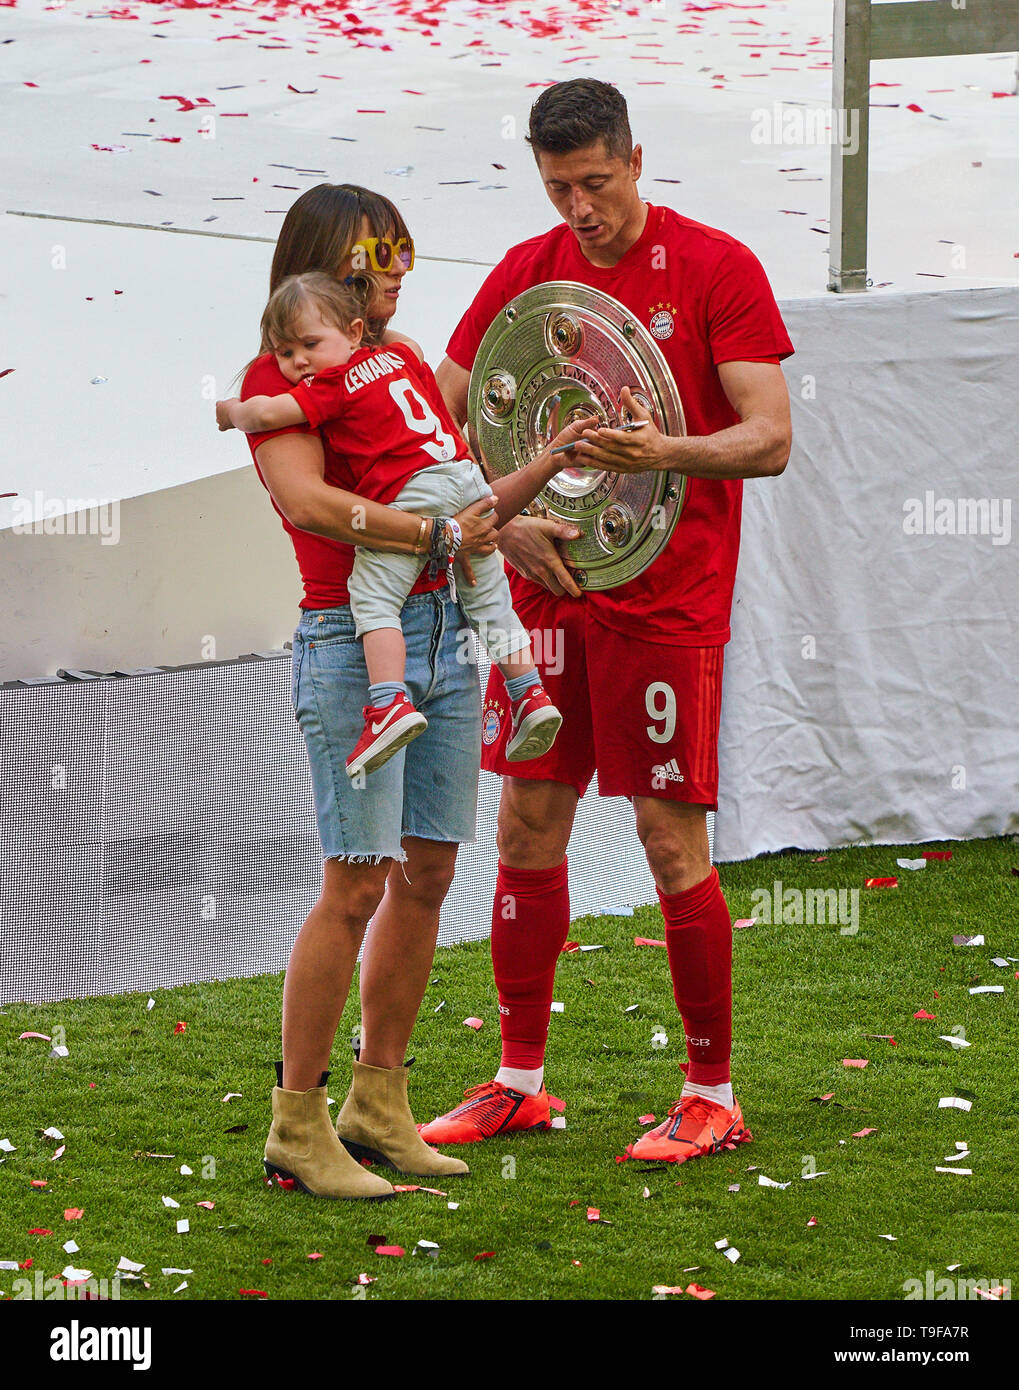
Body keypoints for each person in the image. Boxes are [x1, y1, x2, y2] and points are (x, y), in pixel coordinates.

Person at [420, 79, 794, 1164]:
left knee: (667, 836)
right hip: (540, 592)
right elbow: (443, 423)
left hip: (665, 596)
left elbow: (767, 437)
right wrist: (506, 520)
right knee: (524, 828)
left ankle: (709, 1093)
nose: (577, 209)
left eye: (592, 182)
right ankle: (517, 1082)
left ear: (635, 158)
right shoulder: (526, 273)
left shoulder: (715, 266)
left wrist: (661, 452)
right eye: (555, 188)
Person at [223, 183, 512, 1200]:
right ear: (327, 260)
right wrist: (436, 536)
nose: (394, 268)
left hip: (439, 629)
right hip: (355, 644)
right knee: (354, 880)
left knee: (426, 873)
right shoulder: (278, 377)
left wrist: (510, 515)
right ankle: (295, 1124)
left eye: (399, 251)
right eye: (376, 252)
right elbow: (309, 502)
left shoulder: (394, 360)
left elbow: (451, 476)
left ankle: (377, 1102)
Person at [218, 270, 578, 782]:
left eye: (309, 345)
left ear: (353, 331)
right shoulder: (404, 357)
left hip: (417, 492)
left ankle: (388, 703)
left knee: (373, 596)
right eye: (285, 353)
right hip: (464, 474)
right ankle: (529, 692)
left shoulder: (332, 383)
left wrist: (230, 411)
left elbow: (267, 413)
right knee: (491, 600)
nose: (299, 362)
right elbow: (413, 361)